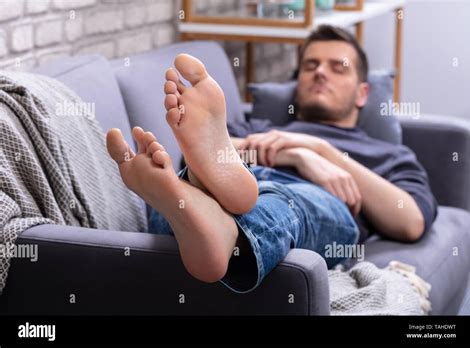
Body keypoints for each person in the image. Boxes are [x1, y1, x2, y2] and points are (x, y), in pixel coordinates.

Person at [106, 25, 437, 293]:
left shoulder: (385, 153)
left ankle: (209, 213)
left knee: (284, 202)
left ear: (363, 93)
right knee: (190, 183)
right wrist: (291, 150)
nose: (321, 73)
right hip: (244, 175)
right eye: (311, 65)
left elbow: (410, 221)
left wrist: (319, 152)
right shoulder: (260, 128)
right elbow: (213, 146)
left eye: (338, 68)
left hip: (313, 199)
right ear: (297, 83)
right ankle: (202, 202)